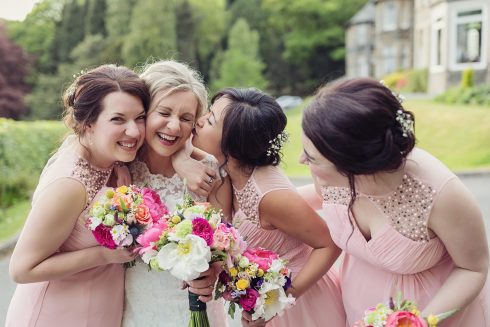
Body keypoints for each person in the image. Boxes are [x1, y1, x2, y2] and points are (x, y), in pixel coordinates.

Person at [298, 78, 489, 326]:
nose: (302, 160)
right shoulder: (329, 181)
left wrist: (419, 322)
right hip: (357, 306)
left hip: (434, 314)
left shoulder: (440, 195)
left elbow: (473, 268)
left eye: (312, 157)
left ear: (353, 165)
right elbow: (302, 201)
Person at [6, 64, 150, 327]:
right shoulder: (69, 184)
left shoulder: (113, 158)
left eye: (139, 117)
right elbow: (21, 269)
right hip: (55, 315)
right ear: (88, 124)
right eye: (118, 119)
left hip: (100, 311)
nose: (135, 131)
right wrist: (104, 255)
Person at [191, 88, 346, 327]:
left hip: (301, 307)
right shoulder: (233, 172)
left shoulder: (268, 196)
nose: (198, 122)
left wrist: (281, 299)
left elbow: (329, 244)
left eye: (210, 120)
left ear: (232, 144)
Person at [122, 60, 230, 327]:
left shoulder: (208, 172)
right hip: (139, 305)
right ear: (143, 111)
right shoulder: (123, 166)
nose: (173, 127)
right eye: (164, 113)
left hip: (193, 308)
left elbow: (225, 244)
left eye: (185, 118)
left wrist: (213, 271)